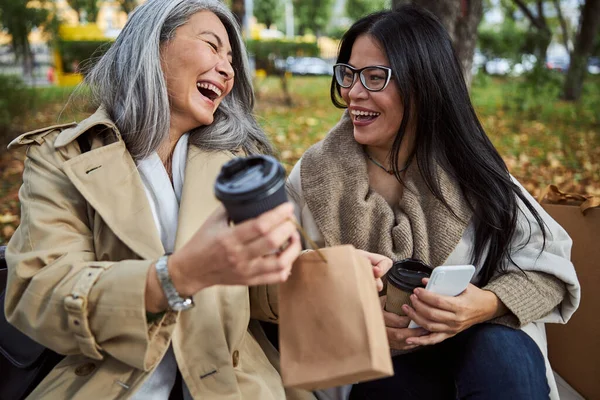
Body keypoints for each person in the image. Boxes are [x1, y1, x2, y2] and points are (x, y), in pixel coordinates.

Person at [3, 1, 388, 398]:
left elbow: (256, 290)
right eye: (212, 45)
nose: (227, 69)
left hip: (236, 383)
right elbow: (42, 296)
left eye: (231, 59)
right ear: (152, 45)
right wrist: (176, 277)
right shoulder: (62, 157)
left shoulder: (237, 163)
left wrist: (331, 277)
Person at [288, 5, 580, 400]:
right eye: (349, 74)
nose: (353, 92)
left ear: (423, 84)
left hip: (484, 350)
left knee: (500, 353)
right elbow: (280, 291)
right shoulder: (313, 178)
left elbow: (549, 266)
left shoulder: (470, 168)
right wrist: (357, 313)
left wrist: (487, 304)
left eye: (375, 77)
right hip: (376, 367)